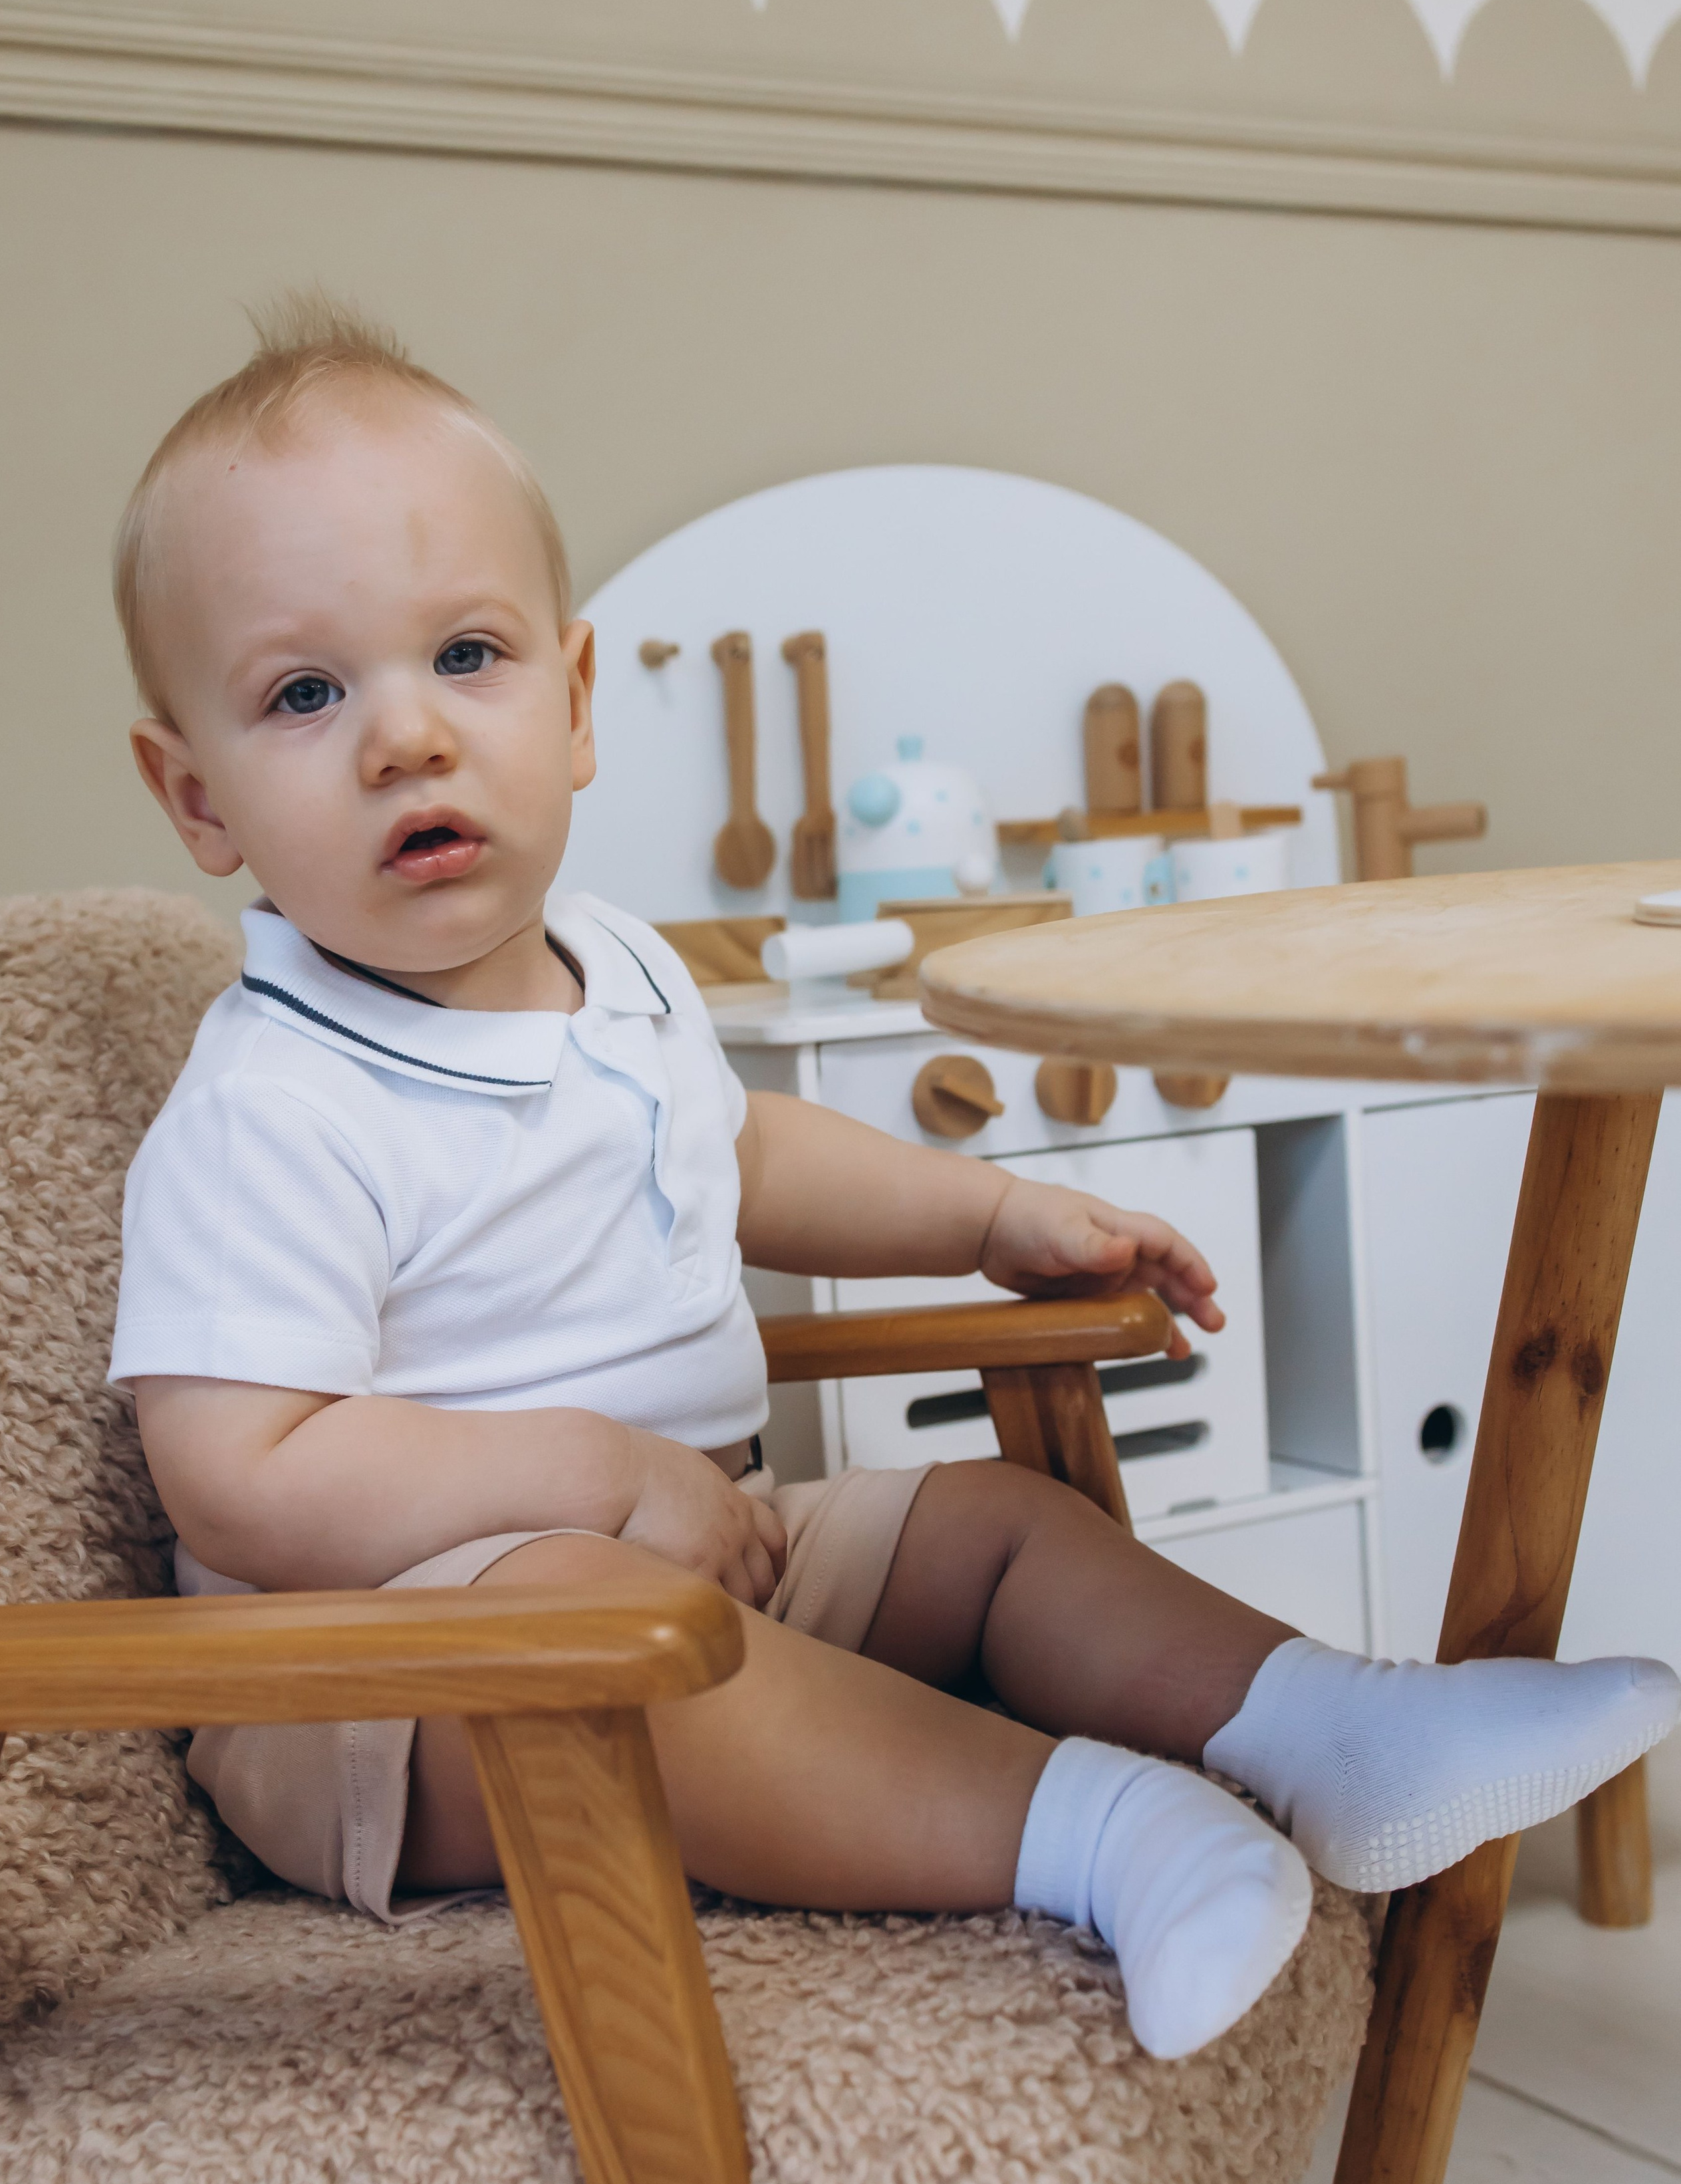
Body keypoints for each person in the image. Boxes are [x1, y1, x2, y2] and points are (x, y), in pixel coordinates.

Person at [108, 297, 1678, 2062]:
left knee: (996, 1528)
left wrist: (990, 1217)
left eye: (466, 655)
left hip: (712, 1550)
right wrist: (602, 1480)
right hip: (392, 1702)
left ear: (576, 699)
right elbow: (240, 1473)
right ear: (198, 798)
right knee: (595, 1631)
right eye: (305, 694)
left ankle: (1338, 1732)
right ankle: (1115, 1838)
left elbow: (750, 1154)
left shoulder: (617, 972)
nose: (405, 735)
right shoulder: (274, 1103)